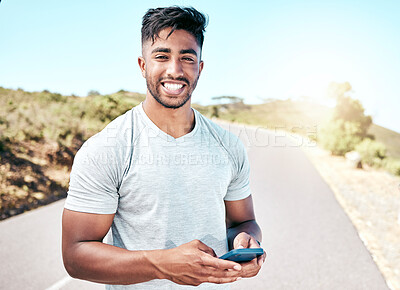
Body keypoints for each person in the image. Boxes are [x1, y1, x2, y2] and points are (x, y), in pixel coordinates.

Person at [62, 6, 265, 289]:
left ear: (200, 68)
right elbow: (75, 255)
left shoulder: (228, 146)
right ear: (143, 65)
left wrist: (246, 239)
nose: (175, 70)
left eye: (187, 58)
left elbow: (245, 221)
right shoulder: (106, 149)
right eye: (162, 56)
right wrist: (161, 264)